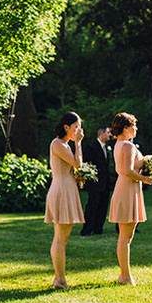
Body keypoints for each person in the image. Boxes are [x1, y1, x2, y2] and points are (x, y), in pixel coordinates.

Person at [108, 112, 152, 286]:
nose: (136, 128)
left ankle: (124, 274)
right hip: (127, 187)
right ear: (126, 128)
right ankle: (125, 276)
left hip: (128, 187)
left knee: (127, 235)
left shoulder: (121, 145)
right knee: (125, 237)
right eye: (133, 125)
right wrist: (145, 179)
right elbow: (127, 170)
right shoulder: (126, 146)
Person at [44, 112, 85, 290]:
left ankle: (58, 278)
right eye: (76, 126)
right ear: (66, 127)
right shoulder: (57, 144)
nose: (78, 130)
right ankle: (60, 280)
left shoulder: (65, 145)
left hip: (67, 188)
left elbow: (73, 167)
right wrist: (79, 142)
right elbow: (78, 164)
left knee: (63, 238)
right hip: (61, 190)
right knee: (60, 238)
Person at [80, 126, 112, 236]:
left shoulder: (107, 148)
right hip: (94, 183)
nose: (110, 135)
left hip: (105, 183)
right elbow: (87, 164)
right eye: (108, 133)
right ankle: (87, 229)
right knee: (92, 206)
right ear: (101, 134)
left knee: (103, 206)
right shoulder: (91, 147)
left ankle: (98, 228)